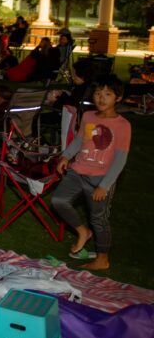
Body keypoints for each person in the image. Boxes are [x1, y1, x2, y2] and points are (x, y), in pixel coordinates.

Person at [51, 75, 131, 271]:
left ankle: (102, 259)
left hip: (100, 178)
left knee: (99, 219)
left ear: (118, 98)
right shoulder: (88, 116)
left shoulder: (123, 126)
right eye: (97, 93)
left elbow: (120, 159)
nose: (101, 98)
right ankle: (82, 231)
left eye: (107, 94)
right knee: (58, 201)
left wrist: (104, 185)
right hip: (78, 171)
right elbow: (80, 140)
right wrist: (66, 156)